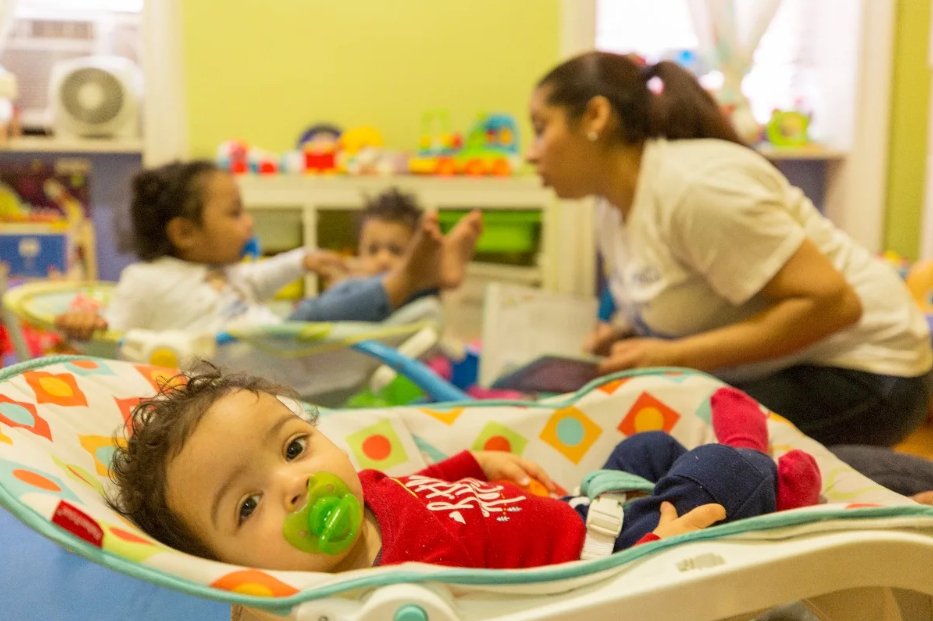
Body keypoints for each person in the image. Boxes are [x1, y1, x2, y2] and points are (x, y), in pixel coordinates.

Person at [525, 50, 933, 497]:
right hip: (804, 360)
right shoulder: (612, 205)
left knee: (695, 456)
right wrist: (623, 333)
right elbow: (676, 290)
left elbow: (835, 303)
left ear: (596, 116)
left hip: (871, 370)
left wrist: (675, 355)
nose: (531, 153)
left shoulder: (696, 188)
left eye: (542, 130)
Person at [107, 363, 820, 571]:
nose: (293, 483)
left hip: (577, 505)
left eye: (293, 446)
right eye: (246, 505)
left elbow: (415, 485)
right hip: (606, 555)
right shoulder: (381, 592)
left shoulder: (362, 496)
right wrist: (645, 563)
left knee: (647, 451)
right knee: (719, 475)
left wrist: (472, 460)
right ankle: (774, 478)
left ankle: (693, 469)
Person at [54, 160, 483, 339]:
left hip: (274, 342)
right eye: (235, 213)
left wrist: (302, 260)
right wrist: (86, 327)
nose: (249, 223)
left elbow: (262, 277)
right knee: (316, 312)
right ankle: (412, 276)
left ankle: (430, 281)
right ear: (185, 233)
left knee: (335, 299)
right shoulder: (145, 280)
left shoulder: (228, 272)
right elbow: (118, 336)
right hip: (261, 354)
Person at [305, 186, 426, 289]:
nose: (383, 260)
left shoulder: (420, 299)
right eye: (373, 250)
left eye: (396, 251)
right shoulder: (351, 289)